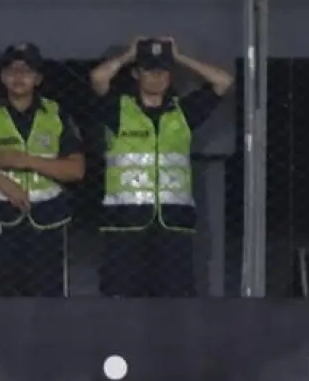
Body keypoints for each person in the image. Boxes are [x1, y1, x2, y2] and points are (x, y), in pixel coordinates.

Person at [89, 37, 233, 297]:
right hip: (125, 224)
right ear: (136, 73)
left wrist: (179, 57)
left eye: (163, 70)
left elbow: (223, 81)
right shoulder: (119, 109)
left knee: (174, 297)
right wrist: (127, 55)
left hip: (173, 223)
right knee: (119, 295)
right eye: (149, 70)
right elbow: (98, 78)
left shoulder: (183, 112)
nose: (156, 77)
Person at [0, 42, 85, 297]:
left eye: (26, 70)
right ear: (2, 76)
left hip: (48, 226)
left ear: (38, 78)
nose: (19, 76)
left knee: (48, 304)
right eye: (12, 70)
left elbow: (76, 170)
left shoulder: (57, 114)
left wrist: (27, 161)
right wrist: (0, 181)